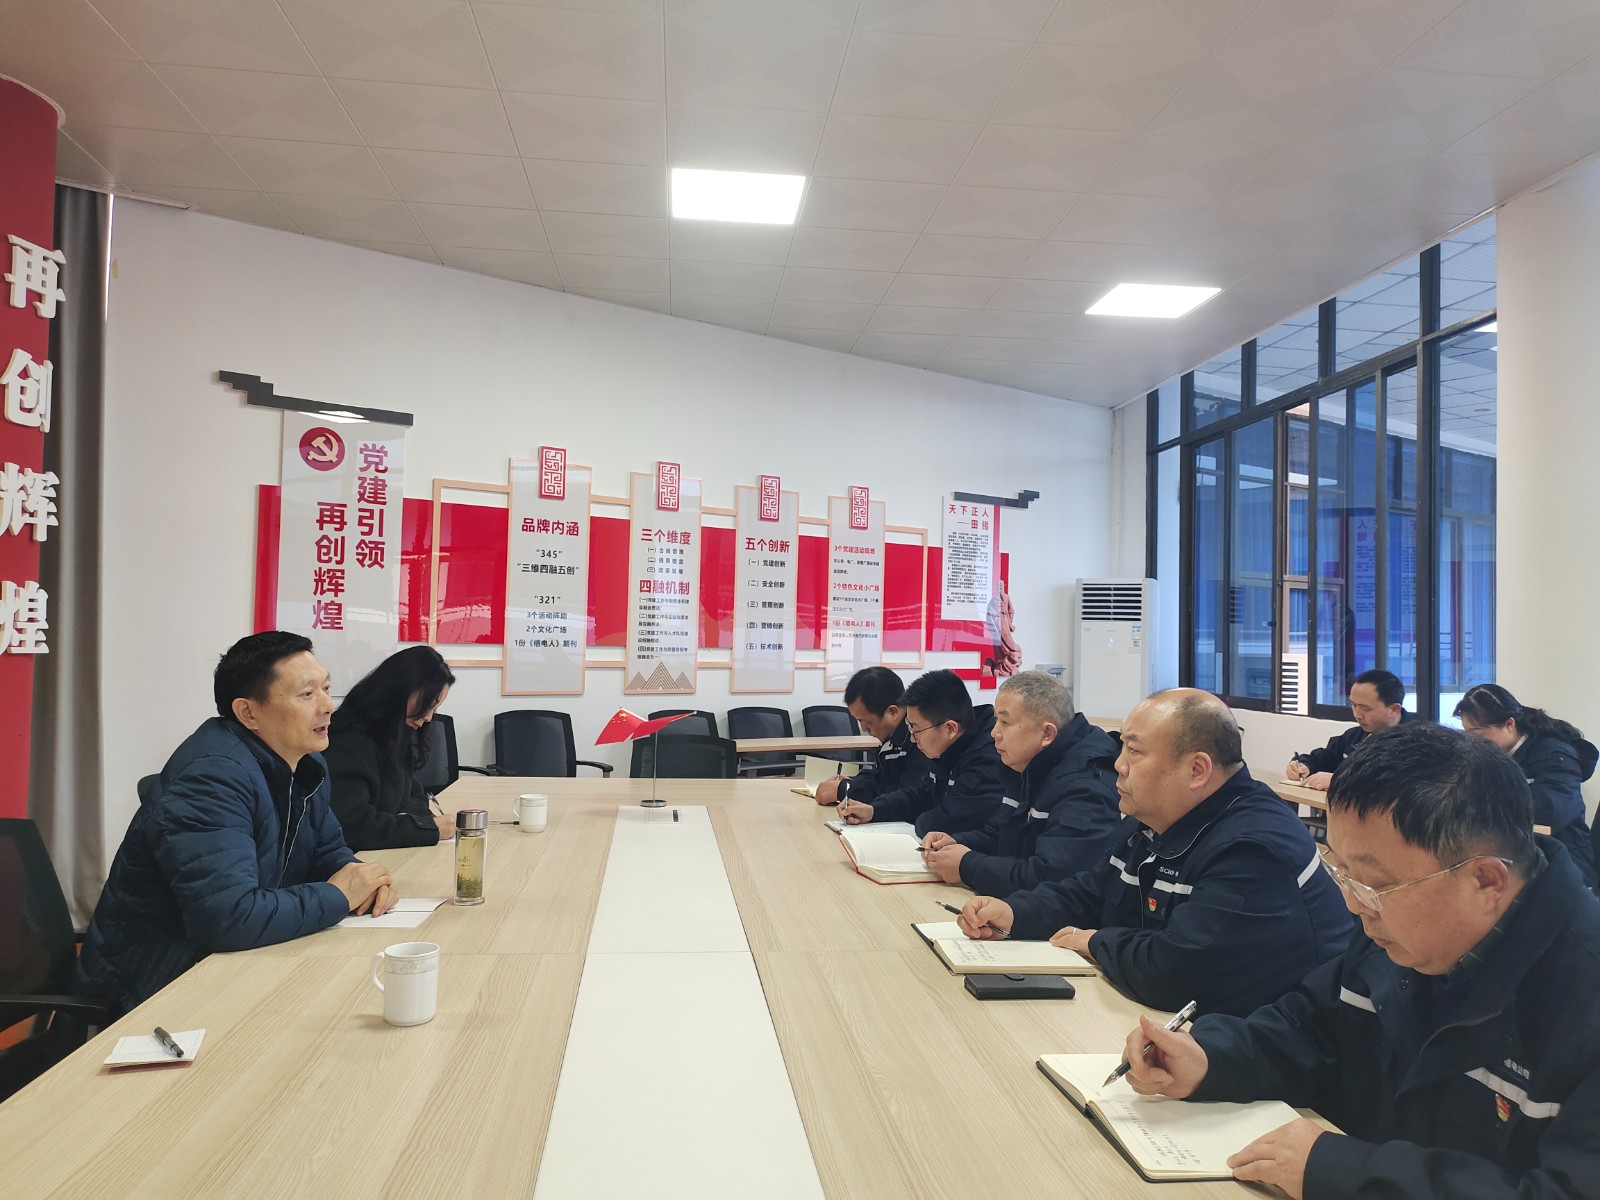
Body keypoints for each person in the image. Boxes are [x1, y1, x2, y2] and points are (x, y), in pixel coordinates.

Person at [1120, 722, 1600, 1200]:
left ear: (1487, 881)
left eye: (1375, 884)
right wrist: (1210, 1058)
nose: (1353, 904)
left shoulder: (1580, 995)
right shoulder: (1399, 934)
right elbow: (1311, 1030)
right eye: (1342, 872)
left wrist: (1346, 1173)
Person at [959, 689, 1352, 1017]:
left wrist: (1095, 943)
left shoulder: (1253, 848)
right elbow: (1091, 892)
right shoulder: (1156, 819)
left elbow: (1176, 971)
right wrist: (1015, 913)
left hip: (1278, 1061)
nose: (1118, 764)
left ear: (1197, 770)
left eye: (1134, 751)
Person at [80, 632, 396, 1016]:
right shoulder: (211, 778)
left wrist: (361, 880)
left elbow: (328, 851)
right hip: (157, 985)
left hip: (236, 963)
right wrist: (340, 896)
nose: (328, 706)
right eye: (306, 694)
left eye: (327, 689)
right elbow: (227, 917)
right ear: (248, 713)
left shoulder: (306, 763)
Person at [921, 670, 1122, 894]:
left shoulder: (1086, 787)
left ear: (1047, 733)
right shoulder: (1027, 762)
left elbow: (1053, 878)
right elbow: (1002, 834)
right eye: (996, 720)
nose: (994, 733)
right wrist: (956, 843)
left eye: (1005, 722)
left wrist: (968, 866)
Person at [1454, 682, 1597, 888]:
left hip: (1564, 861)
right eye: (1467, 733)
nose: (1472, 742)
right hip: (1513, 855)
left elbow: (1549, 811)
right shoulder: (1490, 756)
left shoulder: (1554, 754)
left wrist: (1484, 804)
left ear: (1509, 724)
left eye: (1478, 734)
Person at [837, 668, 1005, 839]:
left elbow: (948, 821)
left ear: (950, 729)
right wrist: (874, 810)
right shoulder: (948, 747)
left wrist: (920, 819)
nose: (912, 738)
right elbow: (919, 794)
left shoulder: (986, 758)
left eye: (916, 729)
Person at [323, 645, 458, 849]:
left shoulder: (394, 732)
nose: (429, 717)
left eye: (434, 708)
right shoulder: (346, 741)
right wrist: (427, 828)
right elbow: (354, 827)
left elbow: (415, 795)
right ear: (400, 691)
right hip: (354, 858)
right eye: (427, 705)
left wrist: (411, 824)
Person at [811, 666, 927, 808]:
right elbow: (882, 778)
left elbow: (908, 796)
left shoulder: (920, 739)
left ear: (892, 712)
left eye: (867, 722)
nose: (864, 729)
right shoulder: (892, 736)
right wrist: (853, 783)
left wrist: (846, 790)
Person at [1285, 668, 1412, 790]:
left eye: (1365, 708)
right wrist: (1303, 765)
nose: (1357, 714)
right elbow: (1325, 758)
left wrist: (1340, 781)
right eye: (1353, 705)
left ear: (1394, 709)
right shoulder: (1355, 735)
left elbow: (1393, 784)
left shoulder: (1415, 743)